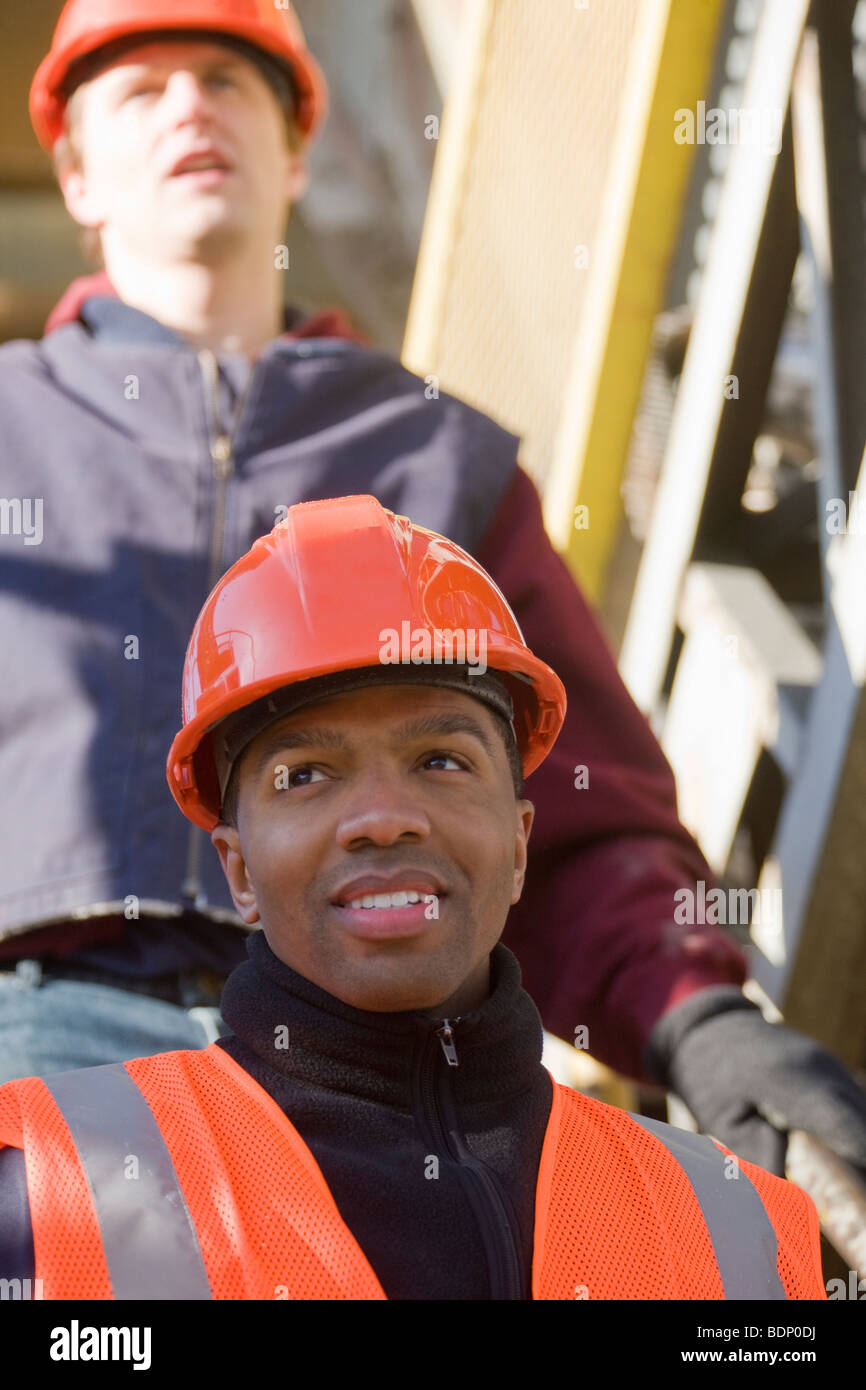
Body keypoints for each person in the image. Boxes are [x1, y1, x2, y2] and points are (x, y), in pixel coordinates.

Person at [1, 0, 864, 1188]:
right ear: (77, 172)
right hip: (52, 1044)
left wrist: (699, 1019)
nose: (190, 106)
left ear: (298, 147)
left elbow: (572, 803)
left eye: (226, 79)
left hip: (381, 1047)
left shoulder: (433, 453)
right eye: (141, 92)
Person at [0, 497, 826, 1300]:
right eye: (306, 775)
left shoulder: (744, 1234)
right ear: (239, 871)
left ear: (517, 843)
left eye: (441, 760)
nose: (383, 820)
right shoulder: (37, 1187)